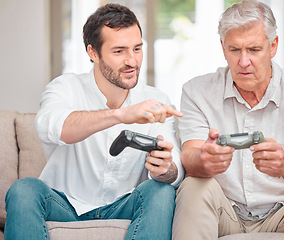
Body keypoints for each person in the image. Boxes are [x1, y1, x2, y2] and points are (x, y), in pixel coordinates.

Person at [5, 3, 184, 240]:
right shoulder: (65, 87)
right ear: (93, 53)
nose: (132, 61)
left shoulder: (156, 100)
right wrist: (120, 115)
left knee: (160, 191)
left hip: (125, 205)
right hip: (63, 205)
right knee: (24, 189)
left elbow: (176, 169)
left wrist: (166, 169)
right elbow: (51, 128)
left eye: (137, 49)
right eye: (119, 51)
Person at [172, 0, 284, 239]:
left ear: (273, 46)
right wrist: (203, 159)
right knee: (193, 186)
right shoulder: (196, 92)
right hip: (225, 210)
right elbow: (190, 156)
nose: (243, 62)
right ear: (223, 48)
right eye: (235, 50)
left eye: (254, 50)